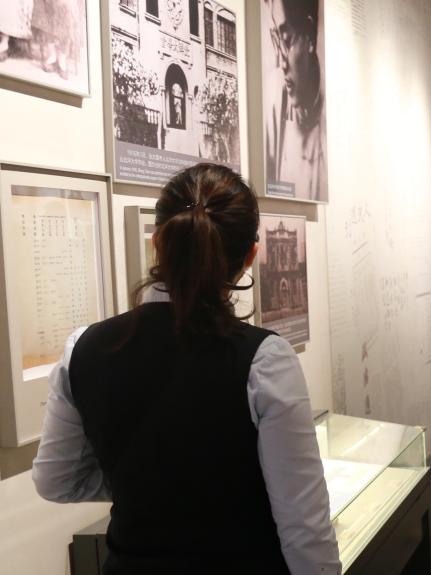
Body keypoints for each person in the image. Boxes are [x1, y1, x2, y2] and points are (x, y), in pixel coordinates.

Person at [32, 164, 340, 573]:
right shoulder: (264, 359)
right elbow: (303, 525)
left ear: (158, 242)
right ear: (250, 256)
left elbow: (55, 481)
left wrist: (143, 484)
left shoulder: (82, 348)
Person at [265, 0, 326, 201]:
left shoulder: (332, 122)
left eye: (287, 41)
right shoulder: (274, 96)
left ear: (309, 37)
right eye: (276, 41)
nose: (282, 63)